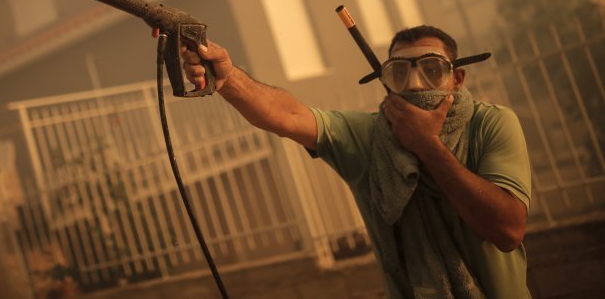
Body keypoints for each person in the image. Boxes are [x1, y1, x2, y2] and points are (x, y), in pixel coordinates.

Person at [182, 25, 531, 298]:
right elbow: (289, 115)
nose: (414, 84)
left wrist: (427, 146)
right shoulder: (369, 137)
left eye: (432, 70)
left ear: (457, 78)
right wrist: (229, 80)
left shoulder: (492, 124)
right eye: (399, 72)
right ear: (386, 81)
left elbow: (507, 231)